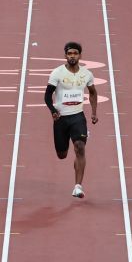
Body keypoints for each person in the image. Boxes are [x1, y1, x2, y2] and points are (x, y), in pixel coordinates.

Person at [45, 42, 98, 198]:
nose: (72, 56)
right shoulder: (57, 73)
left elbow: (93, 93)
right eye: (70, 53)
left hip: (77, 116)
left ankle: (78, 186)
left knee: (80, 147)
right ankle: (74, 163)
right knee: (62, 154)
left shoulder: (87, 74)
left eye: (75, 53)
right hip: (61, 118)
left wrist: (94, 112)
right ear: (65, 56)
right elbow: (47, 96)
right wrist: (53, 111)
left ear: (80, 55)